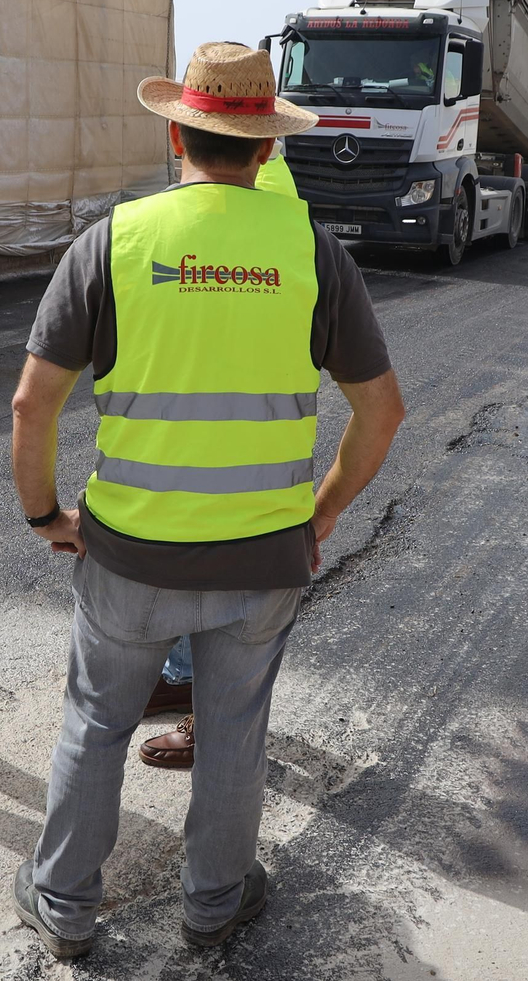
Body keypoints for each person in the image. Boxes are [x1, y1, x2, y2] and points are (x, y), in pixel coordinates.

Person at [9, 41, 405, 958]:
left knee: (97, 723)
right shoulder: (311, 251)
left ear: (177, 130)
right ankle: (214, 903)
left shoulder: (114, 240)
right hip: (263, 553)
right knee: (232, 732)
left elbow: (33, 402)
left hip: (128, 552)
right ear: (266, 147)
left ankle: (64, 905)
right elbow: (381, 412)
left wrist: (45, 515)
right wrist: (324, 509)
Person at [139, 133, 308, 772]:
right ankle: (186, 685)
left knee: (218, 600)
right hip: (256, 443)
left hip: (218, 436)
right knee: (225, 597)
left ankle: (204, 717)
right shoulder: (278, 190)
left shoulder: (244, 198)